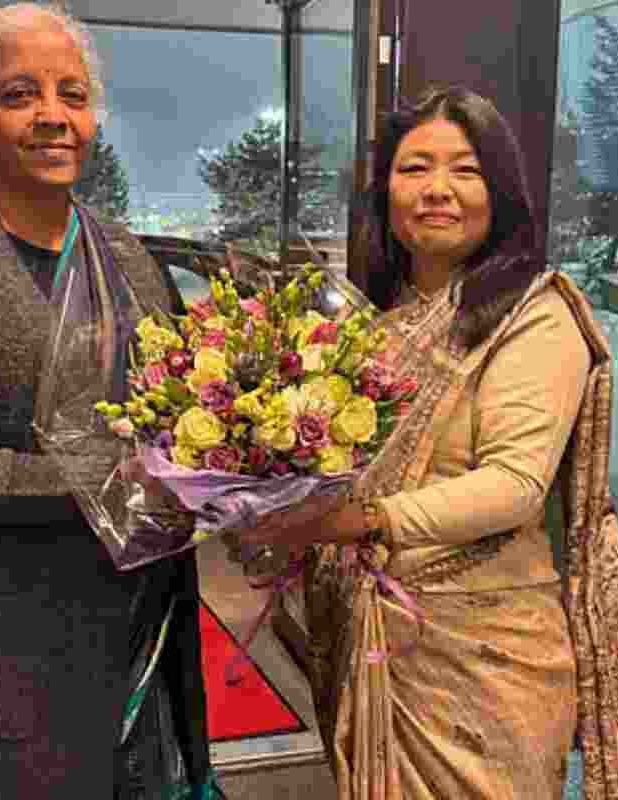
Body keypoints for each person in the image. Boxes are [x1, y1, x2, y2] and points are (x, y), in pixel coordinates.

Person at [0, 4, 220, 798]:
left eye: (73, 94)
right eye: (21, 94)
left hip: (129, 633)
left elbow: (182, 416)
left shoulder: (122, 252)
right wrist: (123, 487)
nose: (54, 116)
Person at [242, 85, 592, 797]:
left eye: (465, 170)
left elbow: (516, 485)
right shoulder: (384, 319)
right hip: (369, 636)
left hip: (480, 657)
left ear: (501, 191)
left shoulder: (535, 313)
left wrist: (358, 521)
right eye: (414, 170)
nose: (438, 190)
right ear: (385, 194)